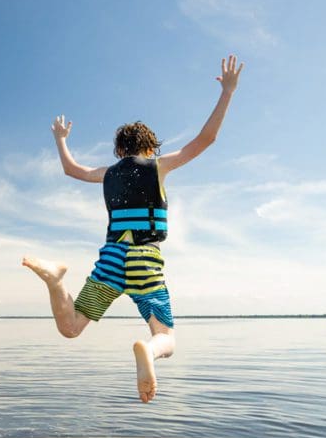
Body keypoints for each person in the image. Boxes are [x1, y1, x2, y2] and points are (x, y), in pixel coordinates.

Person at [23, 54, 244, 403]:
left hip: (111, 259)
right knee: (165, 335)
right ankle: (149, 349)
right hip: (145, 260)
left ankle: (55, 280)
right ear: (149, 146)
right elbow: (205, 139)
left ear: (118, 149)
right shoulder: (158, 166)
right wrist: (228, 92)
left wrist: (60, 139)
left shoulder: (106, 173)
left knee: (71, 327)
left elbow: (72, 170)